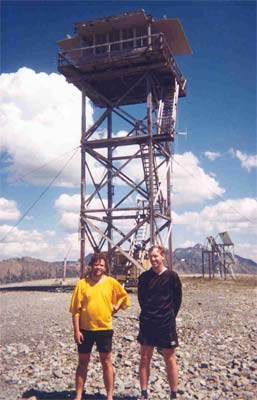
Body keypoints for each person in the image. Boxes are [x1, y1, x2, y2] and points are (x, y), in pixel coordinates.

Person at [70, 252, 131, 400]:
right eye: (96, 264)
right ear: (91, 265)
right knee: (82, 362)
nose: (98, 267)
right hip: (85, 330)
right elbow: (75, 311)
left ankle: (109, 396)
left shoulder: (111, 282)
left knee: (106, 362)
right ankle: (78, 395)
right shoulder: (82, 284)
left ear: (105, 267)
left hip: (104, 329)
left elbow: (124, 297)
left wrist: (116, 307)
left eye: (102, 265)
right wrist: (76, 331)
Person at [137, 245, 182, 400]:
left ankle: (173, 393)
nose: (153, 259)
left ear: (163, 256)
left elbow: (177, 300)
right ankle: (144, 392)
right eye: (151, 256)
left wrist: (168, 316)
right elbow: (142, 300)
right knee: (144, 357)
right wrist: (150, 315)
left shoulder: (172, 276)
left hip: (166, 324)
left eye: (156, 256)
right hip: (148, 323)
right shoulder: (144, 278)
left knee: (169, 358)